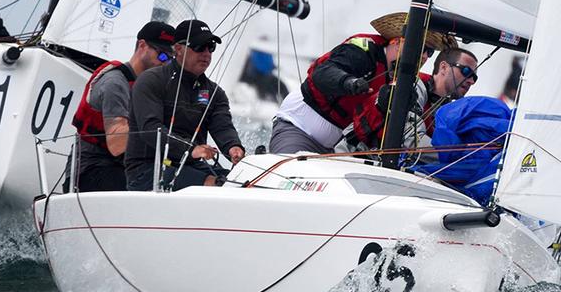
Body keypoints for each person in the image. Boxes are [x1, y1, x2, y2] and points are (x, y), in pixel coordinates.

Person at [269, 11, 456, 154]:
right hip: (299, 128)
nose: (424, 55)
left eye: (429, 52)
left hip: (337, 150)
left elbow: (435, 87)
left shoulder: (407, 78)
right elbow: (322, 73)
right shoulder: (363, 51)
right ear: (396, 42)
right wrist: (350, 83)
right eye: (421, 48)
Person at [125, 19, 245, 191]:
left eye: (210, 47)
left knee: (240, 182)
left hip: (191, 166)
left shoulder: (215, 93)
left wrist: (233, 147)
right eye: (199, 47)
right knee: (216, 185)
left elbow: (222, 127)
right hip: (148, 168)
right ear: (179, 49)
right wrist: (192, 149)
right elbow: (151, 129)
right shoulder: (151, 80)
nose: (206, 53)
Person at [70, 21, 176, 192]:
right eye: (163, 56)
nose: (166, 63)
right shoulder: (115, 83)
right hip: (92, 169)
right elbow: (117, 144)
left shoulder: (151, 88)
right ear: (142, 46)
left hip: (126, 167)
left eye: (171, 59)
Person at [349, 47, 480, 150]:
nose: (471, 81)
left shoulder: (446, 110)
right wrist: (458, 156)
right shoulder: (412, 87)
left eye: (474, 77)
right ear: (444, 67)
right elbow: (410, 140)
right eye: (466, 72)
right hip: (350, 158)